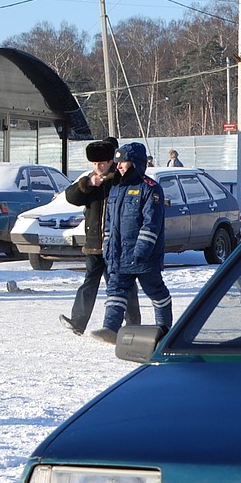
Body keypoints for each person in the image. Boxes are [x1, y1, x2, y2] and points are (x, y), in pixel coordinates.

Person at [90, 142, 174, 343]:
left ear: (135, 162)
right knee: (116, 291)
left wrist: (141, 251)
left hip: (143, 257)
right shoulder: (117, 189)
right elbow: (109, 223)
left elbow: (151, 223)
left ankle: (165, 330)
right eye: (117, 162)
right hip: (119, 254)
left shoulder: (150, 189)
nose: (118, 166)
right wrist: (107, 248)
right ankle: (110, 329)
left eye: (123, 162)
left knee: (156, 292)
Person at [59, 138, 141, 335]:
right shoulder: (90, 180)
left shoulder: (120, 180)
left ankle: (132, 324)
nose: (98, 167)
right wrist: (86, 184)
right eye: (94, 164)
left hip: (116, 244)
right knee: (89, 282)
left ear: (111, 161)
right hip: (95, 244)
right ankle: (78, 321)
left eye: (101, 164)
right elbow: (71, 197)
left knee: (123, 284)